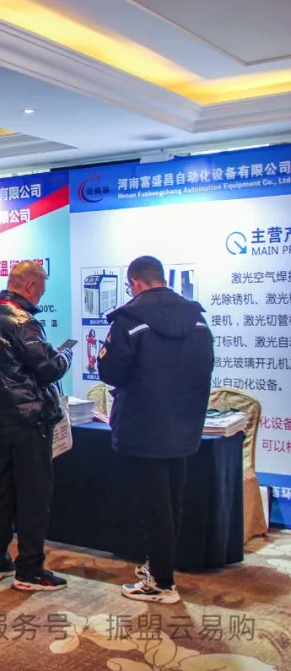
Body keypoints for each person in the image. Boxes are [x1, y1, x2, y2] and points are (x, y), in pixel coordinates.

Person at [99, 256, 214, 605]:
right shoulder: (197, 319)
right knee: (171, 501)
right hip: (185, 424)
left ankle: (162, 583)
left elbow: (110, 372)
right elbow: (205, 367)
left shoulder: (130, 320)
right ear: (161, 278)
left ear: (135, 282)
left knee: (154, 506)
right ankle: (161, 566)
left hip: (143, 424)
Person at [0, 261, 72, 592]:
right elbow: (50, 367)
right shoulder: (23, 322)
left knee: (0, 492)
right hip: (29, 422)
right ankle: (30, 569)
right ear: (29, 286)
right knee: (33, 496)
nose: (41, 296)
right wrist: (66, 354)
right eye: (41, 290)